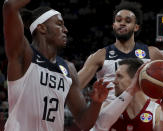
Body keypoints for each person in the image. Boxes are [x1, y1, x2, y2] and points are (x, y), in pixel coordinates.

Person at [78, 1, 163, 130]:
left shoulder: (152, 53)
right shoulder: (100, 55)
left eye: (128, 21)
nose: (122, 23)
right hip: (111, 116)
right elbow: (74, 87)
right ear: (113, 25)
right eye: (118, 20)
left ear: (136, 27)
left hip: (145, 114)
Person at [2, 0, 110, 131]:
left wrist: (96, 103)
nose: (66, 29)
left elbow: (84, 122)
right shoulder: (24, 55)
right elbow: (10, 6)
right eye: (60, 24)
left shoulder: (68, 69)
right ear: (42, 27)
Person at [91, 58, 163, 131]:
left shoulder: (157, 112)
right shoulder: (108, 107)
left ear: (136, 79)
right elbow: (99, 126)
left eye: (119, 76)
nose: (114, 81)